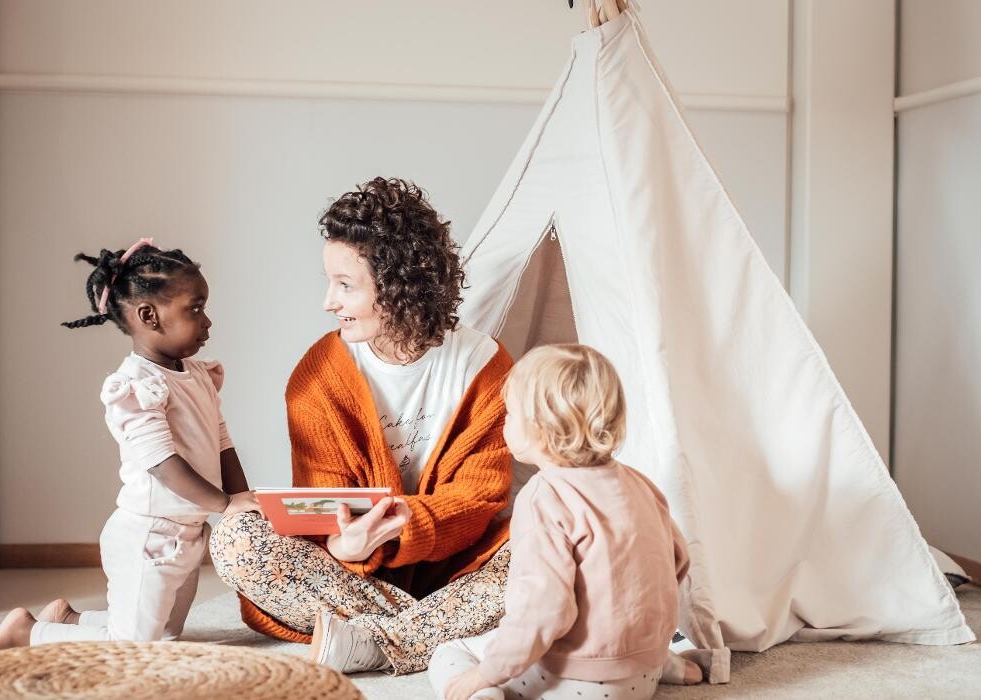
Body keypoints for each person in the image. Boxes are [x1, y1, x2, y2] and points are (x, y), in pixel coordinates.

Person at [211, 177, 513, 675]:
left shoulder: (486, 367)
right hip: (347, 575)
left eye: (345, 285)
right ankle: (435, 633)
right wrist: (343, 546)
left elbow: (479, 500)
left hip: (461, 569)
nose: (328, 302)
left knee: (554, 540)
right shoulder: (317, 378)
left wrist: (397, 532)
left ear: (399, 285)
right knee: (236, 537)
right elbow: (324, 506)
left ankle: (377, 640)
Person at [0, 239, 260, 655]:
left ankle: (69, 620)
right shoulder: (135, 388)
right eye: (195, 309)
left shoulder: (197, 375)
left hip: (188, 532)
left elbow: (221, 442)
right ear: (149, 316)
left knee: (165, 637)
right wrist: (223, 505)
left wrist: (240, 498)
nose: (207, 321)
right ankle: (27, 631)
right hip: (149, 536)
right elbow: (162, 464)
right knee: (130, 647)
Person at [430, 344, 703, 700]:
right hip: (643, 671)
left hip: (580, 682)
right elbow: (676, 559)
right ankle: (667, 664)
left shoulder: (544, 496)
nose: (504, 424)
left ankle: (481, 696)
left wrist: (486, 674)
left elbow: (543, 609)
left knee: (451, 654)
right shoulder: (638, 482)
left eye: (510, 415)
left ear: (540, 430)